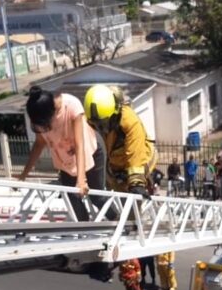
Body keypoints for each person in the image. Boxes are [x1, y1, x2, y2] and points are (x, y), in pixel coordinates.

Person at [20, 87, 107, 222]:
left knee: (97, 197)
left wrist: (81, 179)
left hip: (90, 151)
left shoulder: (71, 106)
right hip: (66, 162)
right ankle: (85, 230)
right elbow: (39, 144)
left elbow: (80, 144)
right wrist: (23, 175)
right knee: (72, 198)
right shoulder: (40, 113)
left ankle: (121, 221)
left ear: (52, 112)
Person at [83, 85, 156, 197]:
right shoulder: (90, 120)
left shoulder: (130, 122)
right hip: (114, 167)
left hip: (141, 161)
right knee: (108, 200)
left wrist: (136, 183)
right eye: (96, 124)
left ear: (115, 112)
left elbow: (135, 154)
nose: (101, 129)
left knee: (131, 204)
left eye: (104, 123)